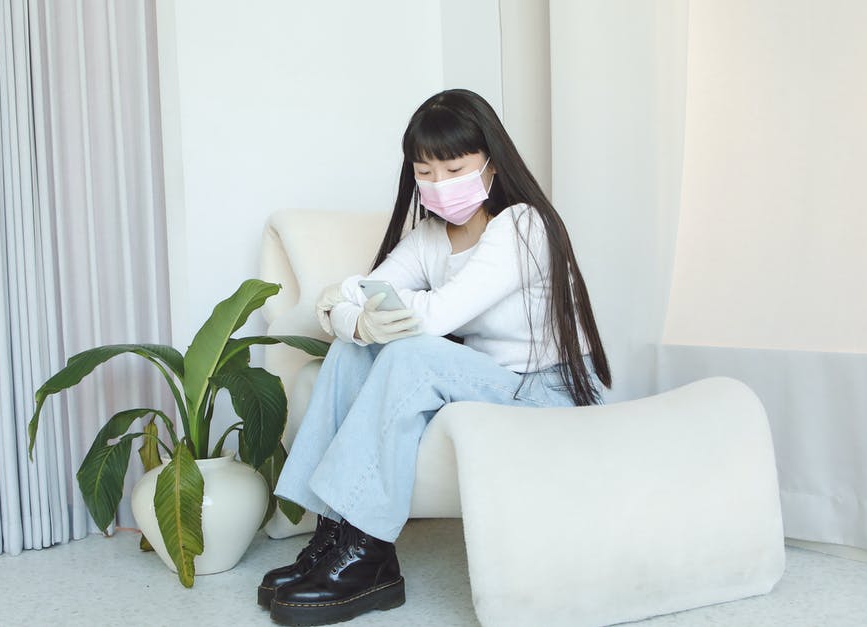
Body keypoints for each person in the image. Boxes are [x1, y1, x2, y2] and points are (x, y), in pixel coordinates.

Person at [258, 88, 612, 626]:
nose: (440, 185)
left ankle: (368, 552)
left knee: (409, 354)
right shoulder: (429, 238)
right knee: (355, 355)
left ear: (491, 164)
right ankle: (334, 537)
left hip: (547, 389)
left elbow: (438, 316)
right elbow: (366, 293)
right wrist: (351, 316)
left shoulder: (523, 226)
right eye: (426, 172)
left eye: (455, 168)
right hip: (493, 382)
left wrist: (354, 300)